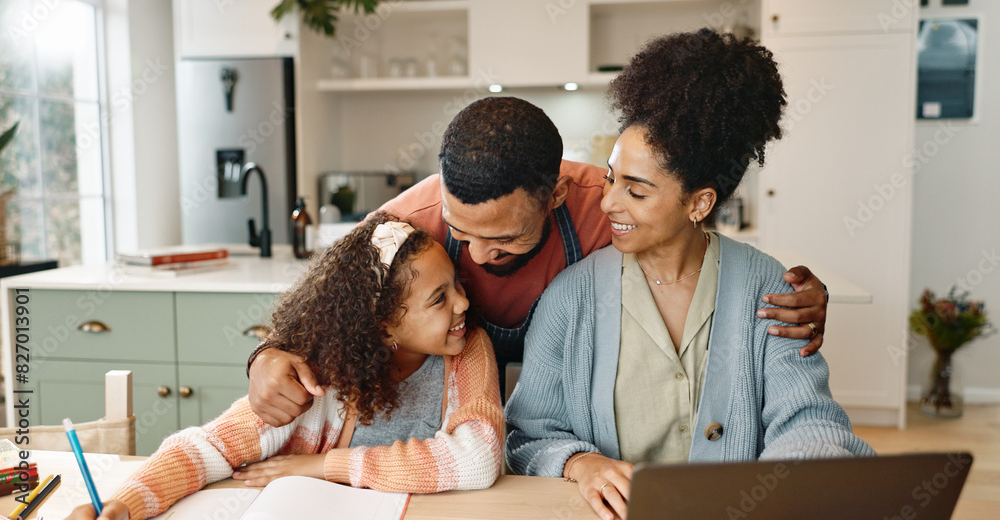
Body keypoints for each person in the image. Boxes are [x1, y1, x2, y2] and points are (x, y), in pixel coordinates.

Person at [247, 96, 832, 427]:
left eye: (503, 240)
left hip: (551, 399)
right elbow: (325, 306)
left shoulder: (602, 208)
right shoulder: (409, 217)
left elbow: (697, 249)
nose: (477, 255)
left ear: (554, 196)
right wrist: (267, 357)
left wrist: (791, 291)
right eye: (460, 233)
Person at [503, 30, 874, 520]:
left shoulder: (767, 288)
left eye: (636, 191)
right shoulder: (571, 297)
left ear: (699, 203)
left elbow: (810, 423)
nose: (608, 201)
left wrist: (783, 493)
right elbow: (528, 433)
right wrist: (580, 461)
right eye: (612, 178)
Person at [67, 212, 503, 520]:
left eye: (456, 285)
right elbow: (208, 447)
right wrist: (125, 505)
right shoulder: (319, 373)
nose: (463, 303)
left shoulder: (467, 351)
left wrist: (324, 465)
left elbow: (479, 459)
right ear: (383, 321)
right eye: (439, 298)